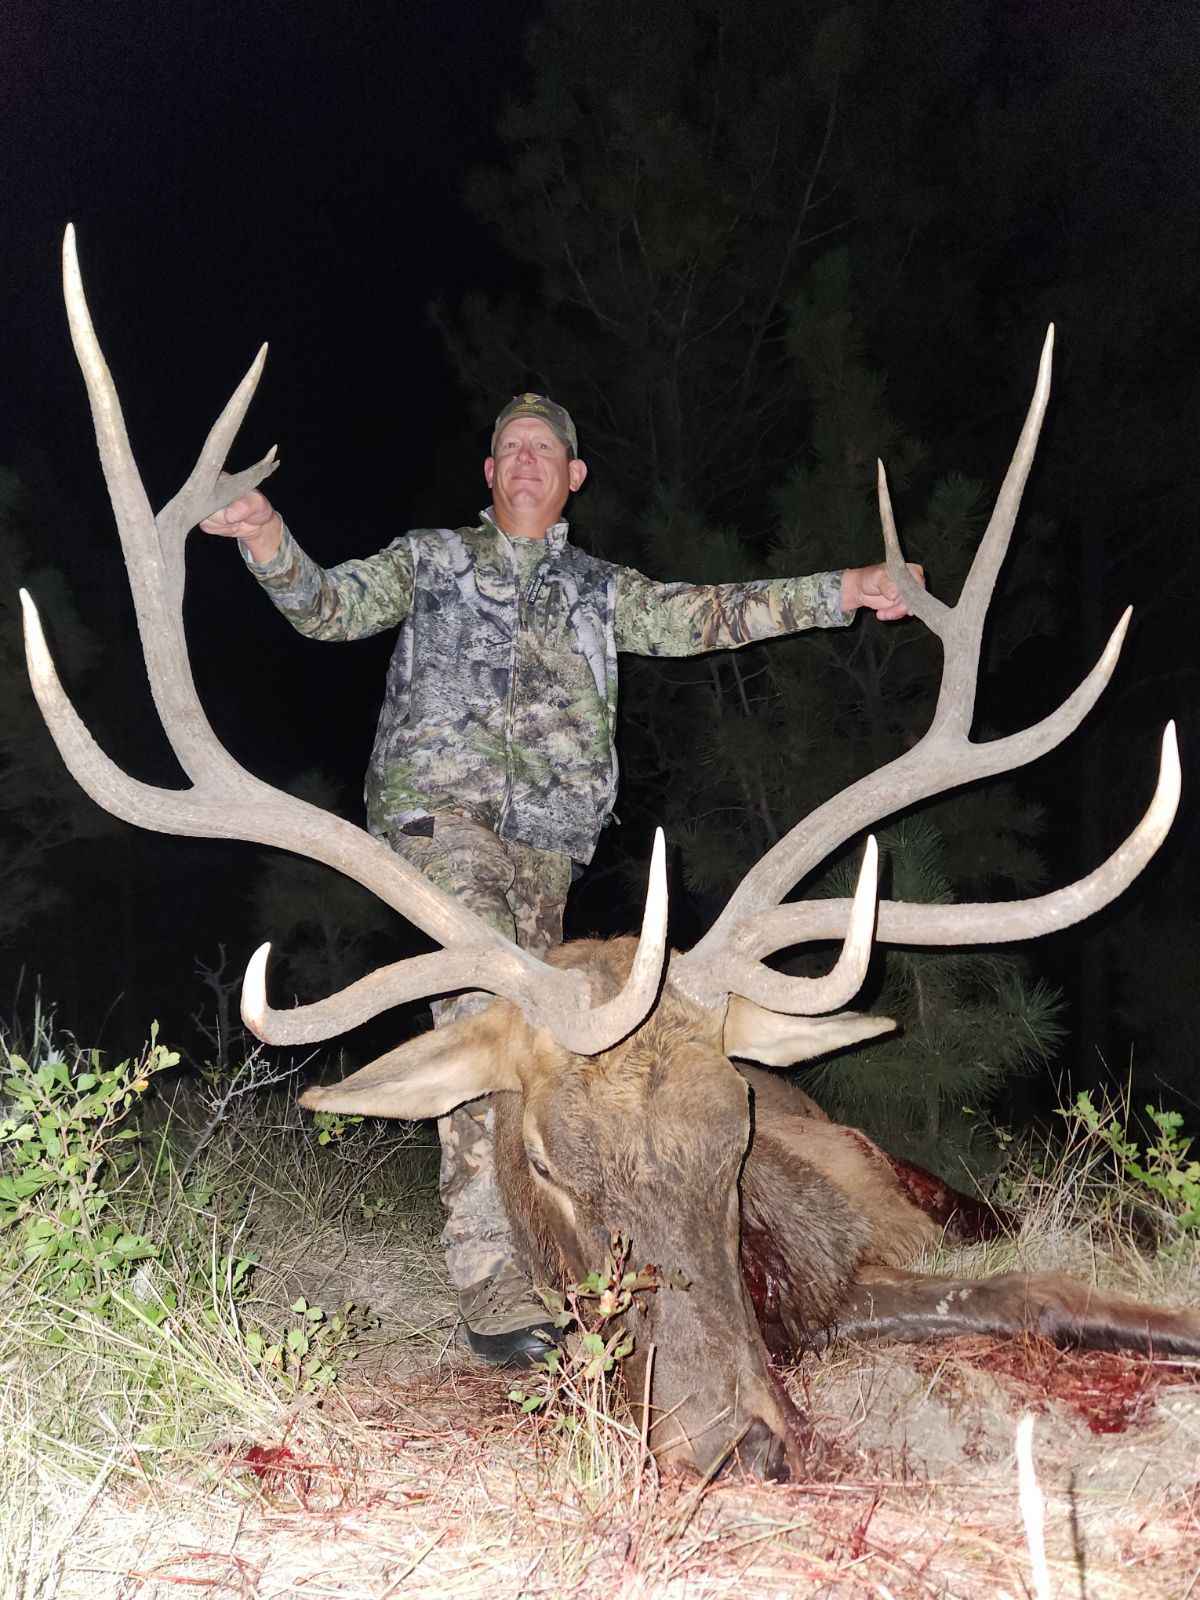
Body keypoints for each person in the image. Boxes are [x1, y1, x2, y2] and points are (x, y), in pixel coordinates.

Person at [200, 393, 923, 1365]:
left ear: (573, 476)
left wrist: (845, 589)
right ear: (490, 474)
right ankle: (492, 1278)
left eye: (544, 448)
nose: (527, 459)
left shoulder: (599, 590)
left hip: (546, 850)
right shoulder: (433, 560)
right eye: (510, 448)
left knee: (540, 1046)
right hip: (439, 828)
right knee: (485, 1014)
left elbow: (707, 615)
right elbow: (327, 607)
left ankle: (553, 1240)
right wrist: (266, 536)